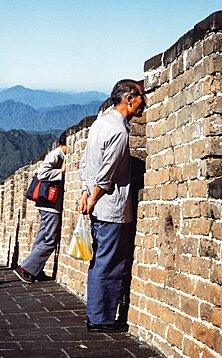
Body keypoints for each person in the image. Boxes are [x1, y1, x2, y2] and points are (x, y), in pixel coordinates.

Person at [78, 79, 145, 333]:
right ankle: (100, 319)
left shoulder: (100, 124)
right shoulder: (118, 130)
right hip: (112, 208)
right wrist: (93, 196)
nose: (144, 102)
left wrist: (86, 192)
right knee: (109, 263)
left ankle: (97, 315)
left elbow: (85, 164)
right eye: (141, 96)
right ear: (129, 99)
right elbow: (107, 172)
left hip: (99, 206)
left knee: (100, 260)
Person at [14, 132, 67, 284]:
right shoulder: (56, 155)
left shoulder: (60, 155)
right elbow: (42, 173)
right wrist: (60, 172)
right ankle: (24, 268)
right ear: (64, 144)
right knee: (50, 239)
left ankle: (35, 271)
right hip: (50, 205)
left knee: (42, 238)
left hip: (47, 205)